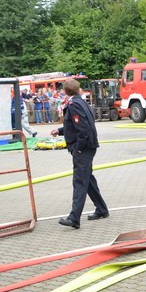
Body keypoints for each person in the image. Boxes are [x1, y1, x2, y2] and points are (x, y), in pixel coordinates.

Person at [51, 78, 109, 229]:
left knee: (79, 182)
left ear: (65, 91)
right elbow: (78, 125)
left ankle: (74, 218)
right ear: (78, 89)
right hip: (88, 146)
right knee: (87, 179)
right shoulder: (81, 102)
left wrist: (79, 148)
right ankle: (102, 209)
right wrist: (60, 131)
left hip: (84, 148)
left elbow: (83, 129)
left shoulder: (73, 104)